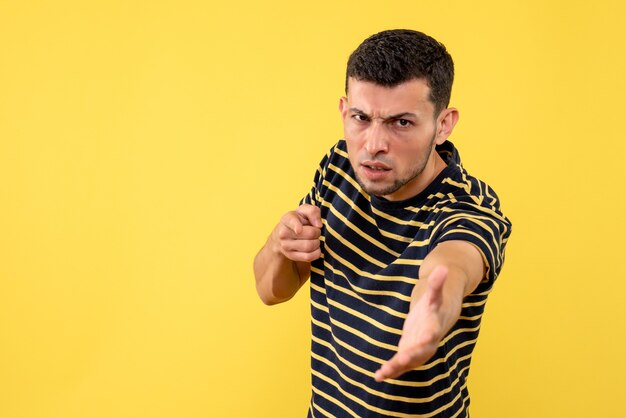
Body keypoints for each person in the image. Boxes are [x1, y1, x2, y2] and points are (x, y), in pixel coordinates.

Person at [254, 29, 512, 417]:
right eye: (361, 118)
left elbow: (453, 264)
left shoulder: (469, 208)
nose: (373, 143)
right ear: (344, 111)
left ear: (443, 124)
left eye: (401, 123)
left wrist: (432, 311)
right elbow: (270, 292)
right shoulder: (339, 167)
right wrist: (281, 245)